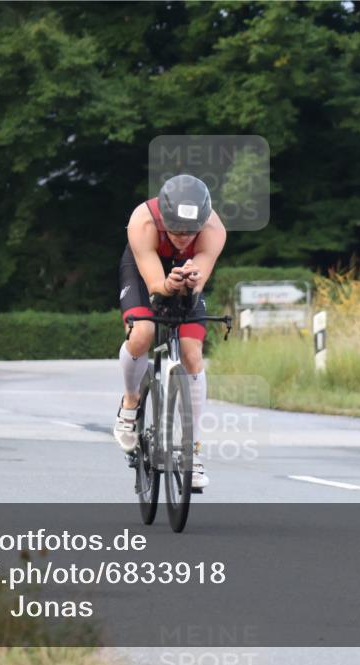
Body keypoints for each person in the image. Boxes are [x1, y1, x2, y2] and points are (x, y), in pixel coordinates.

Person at [114, 174, 227, 490]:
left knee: (192, 353)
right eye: (176, 230)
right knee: (143, 334)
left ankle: (192, 450)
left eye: (190, 232)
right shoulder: (143, 222)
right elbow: (155, 286)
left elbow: (200, 276)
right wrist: (167, 284)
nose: (182, 237)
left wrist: (190, 283)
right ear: (163, 217)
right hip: (143, 271)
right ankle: (131, 401)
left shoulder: (215, 229)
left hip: (186, 274)